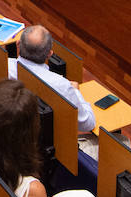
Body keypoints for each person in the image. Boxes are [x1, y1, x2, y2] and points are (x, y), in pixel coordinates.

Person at [8, 25, 98, 160]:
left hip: (11, 134)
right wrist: (75, 91)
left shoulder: (4, 65)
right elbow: (88, 123)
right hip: (43, 149)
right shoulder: (60, 85)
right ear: (50, 54)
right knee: (122, 140)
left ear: (18, 44)